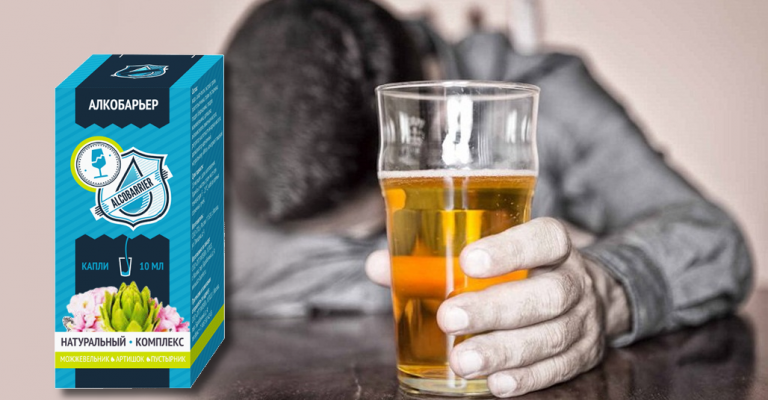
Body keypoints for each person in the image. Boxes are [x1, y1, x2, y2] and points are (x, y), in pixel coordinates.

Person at [225, 0, 752, 397]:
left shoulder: (539, 89)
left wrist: (600, 289)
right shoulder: (228, 138)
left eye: (372, 228)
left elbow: (712, 239)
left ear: (430, 100)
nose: (371, 246)